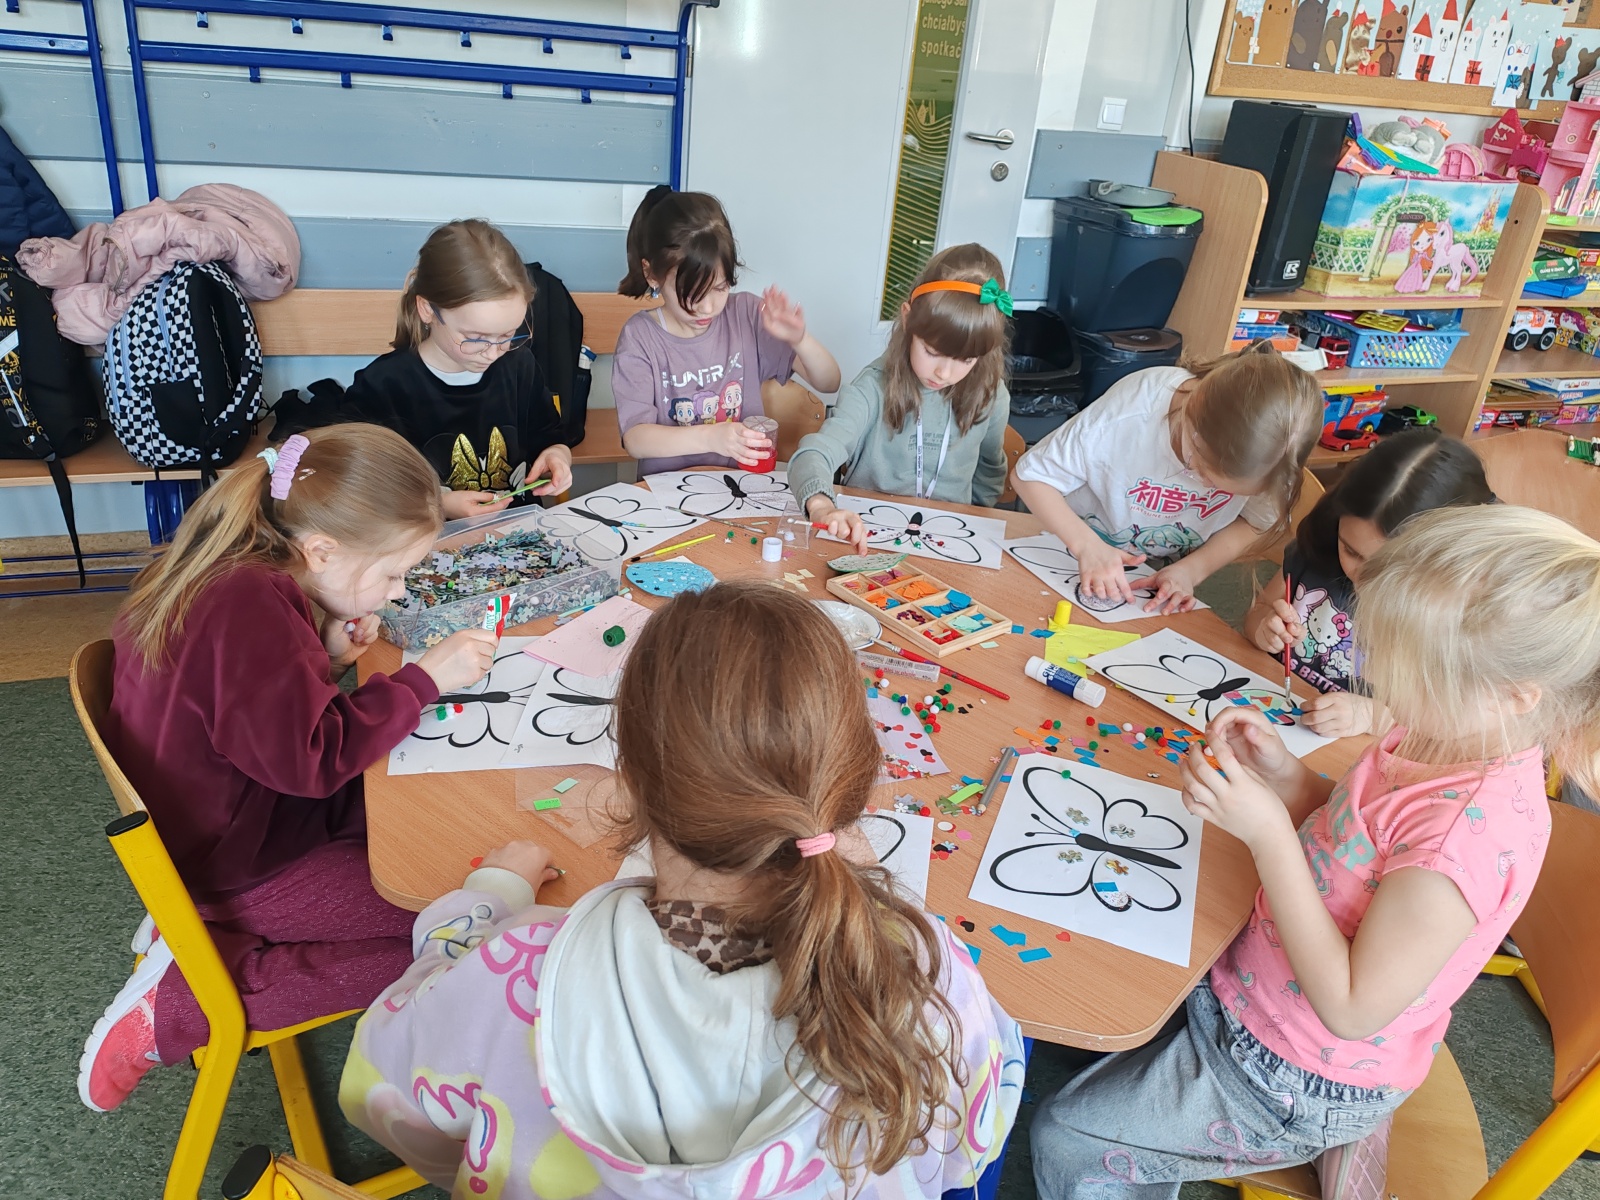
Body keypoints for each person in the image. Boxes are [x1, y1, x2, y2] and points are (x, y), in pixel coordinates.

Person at [340, 582, 1025, 1198]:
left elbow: (384, 1097)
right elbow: (969, 1145)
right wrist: (877, 902)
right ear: (850, 784)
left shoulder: (521, 973)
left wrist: (486, 899)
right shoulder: (927, 972)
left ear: (629, 783)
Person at [1032, 505, 1596, 1200]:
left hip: (1294, 1075)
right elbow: (1358, 835)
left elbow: (1352, 1007)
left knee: (1067, 1134)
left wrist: (1270, 833)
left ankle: (1294, 1138)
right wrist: (1285, 777)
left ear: (1513, 698)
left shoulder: (1464, 839)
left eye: (1407, 664)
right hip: (1249, 987)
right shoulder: (1441, 733)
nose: (1373, 670)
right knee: (1083, 998)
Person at [78, 426, 499, 1113]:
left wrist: (322, 656)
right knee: (457, 942)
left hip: (232, 820)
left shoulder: (240, 569)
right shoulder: (247, 607)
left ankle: (191, 933)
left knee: (431, 825)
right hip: (239, 863)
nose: (396, 593)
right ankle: (182, 1001)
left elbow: (238, 713)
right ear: (323, 549)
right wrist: (421, 680)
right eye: (393, 574)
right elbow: (312, 760)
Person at [1011, 344, 1322, 614]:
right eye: (1202, 471)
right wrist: (1086, 545)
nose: (1206, 488)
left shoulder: (1276, 459)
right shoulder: (1133, 412)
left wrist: (1191, 570)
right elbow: (1029, 477)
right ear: (1193, 418)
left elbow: (1255, 522)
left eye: (1225, 491)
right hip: (1063, 543)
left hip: (1146, 572)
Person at [1244, 429, 1494, 738]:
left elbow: (1453, 731)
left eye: (1386, 567)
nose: (1361, 575)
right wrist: (1264, 629)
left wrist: (1374, 718)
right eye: (1350, 551)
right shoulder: (1319, 551)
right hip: (1277, 714)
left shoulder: (1459, 618)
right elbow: (1260, 612)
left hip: (1360, 753)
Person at [789, 244, 1013, 552]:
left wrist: (969, 523)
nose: (944, 372)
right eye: (932, 352)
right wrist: (822, 506)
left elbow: (990, 470)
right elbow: (816, 452)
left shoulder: (992, 395)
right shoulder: (871, 387)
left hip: (949, 543)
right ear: (908, 319)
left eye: (966, 360)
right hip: (865, 541)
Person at [342, 219, 573, 517]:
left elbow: (551, 438)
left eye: (508, 335)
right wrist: (438, 504)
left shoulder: (520, 366)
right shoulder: (383, 385)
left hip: (518, 532)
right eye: (475, 338)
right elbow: (362, 486)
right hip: (426, 537)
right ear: (427, 309)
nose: (493, 352)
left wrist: (557, 456)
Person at [612, 186, 841, 475]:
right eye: (692, 294)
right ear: (651, 275)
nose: (708, 308)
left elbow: (830, 382)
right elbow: (636, 440)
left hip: (741, 485)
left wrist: (800, 340)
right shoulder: (640, 337)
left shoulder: (745, 314)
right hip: (666, 490)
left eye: (720, 288)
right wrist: (712, 437)